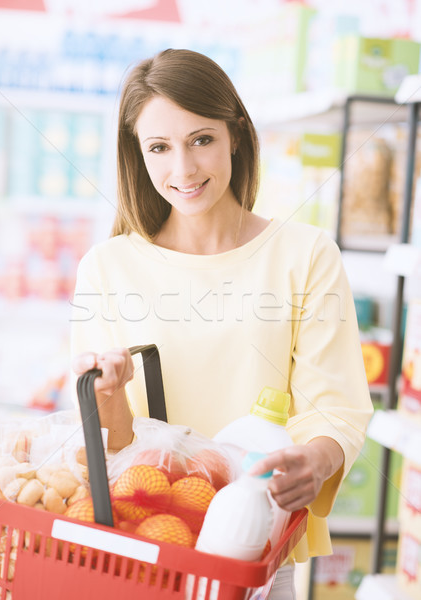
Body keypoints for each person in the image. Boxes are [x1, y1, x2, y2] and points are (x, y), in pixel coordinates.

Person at [71, 48, 373, 599]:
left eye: (201, 140)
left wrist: (318, 457)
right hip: (146, 546)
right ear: (137, 155)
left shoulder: (305, 254)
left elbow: (336, 407)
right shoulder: (106, 267)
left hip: (258, 550)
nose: (183, 170)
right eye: (159, 147)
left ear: (235, 133)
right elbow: (111, 449)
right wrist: (107, 394)